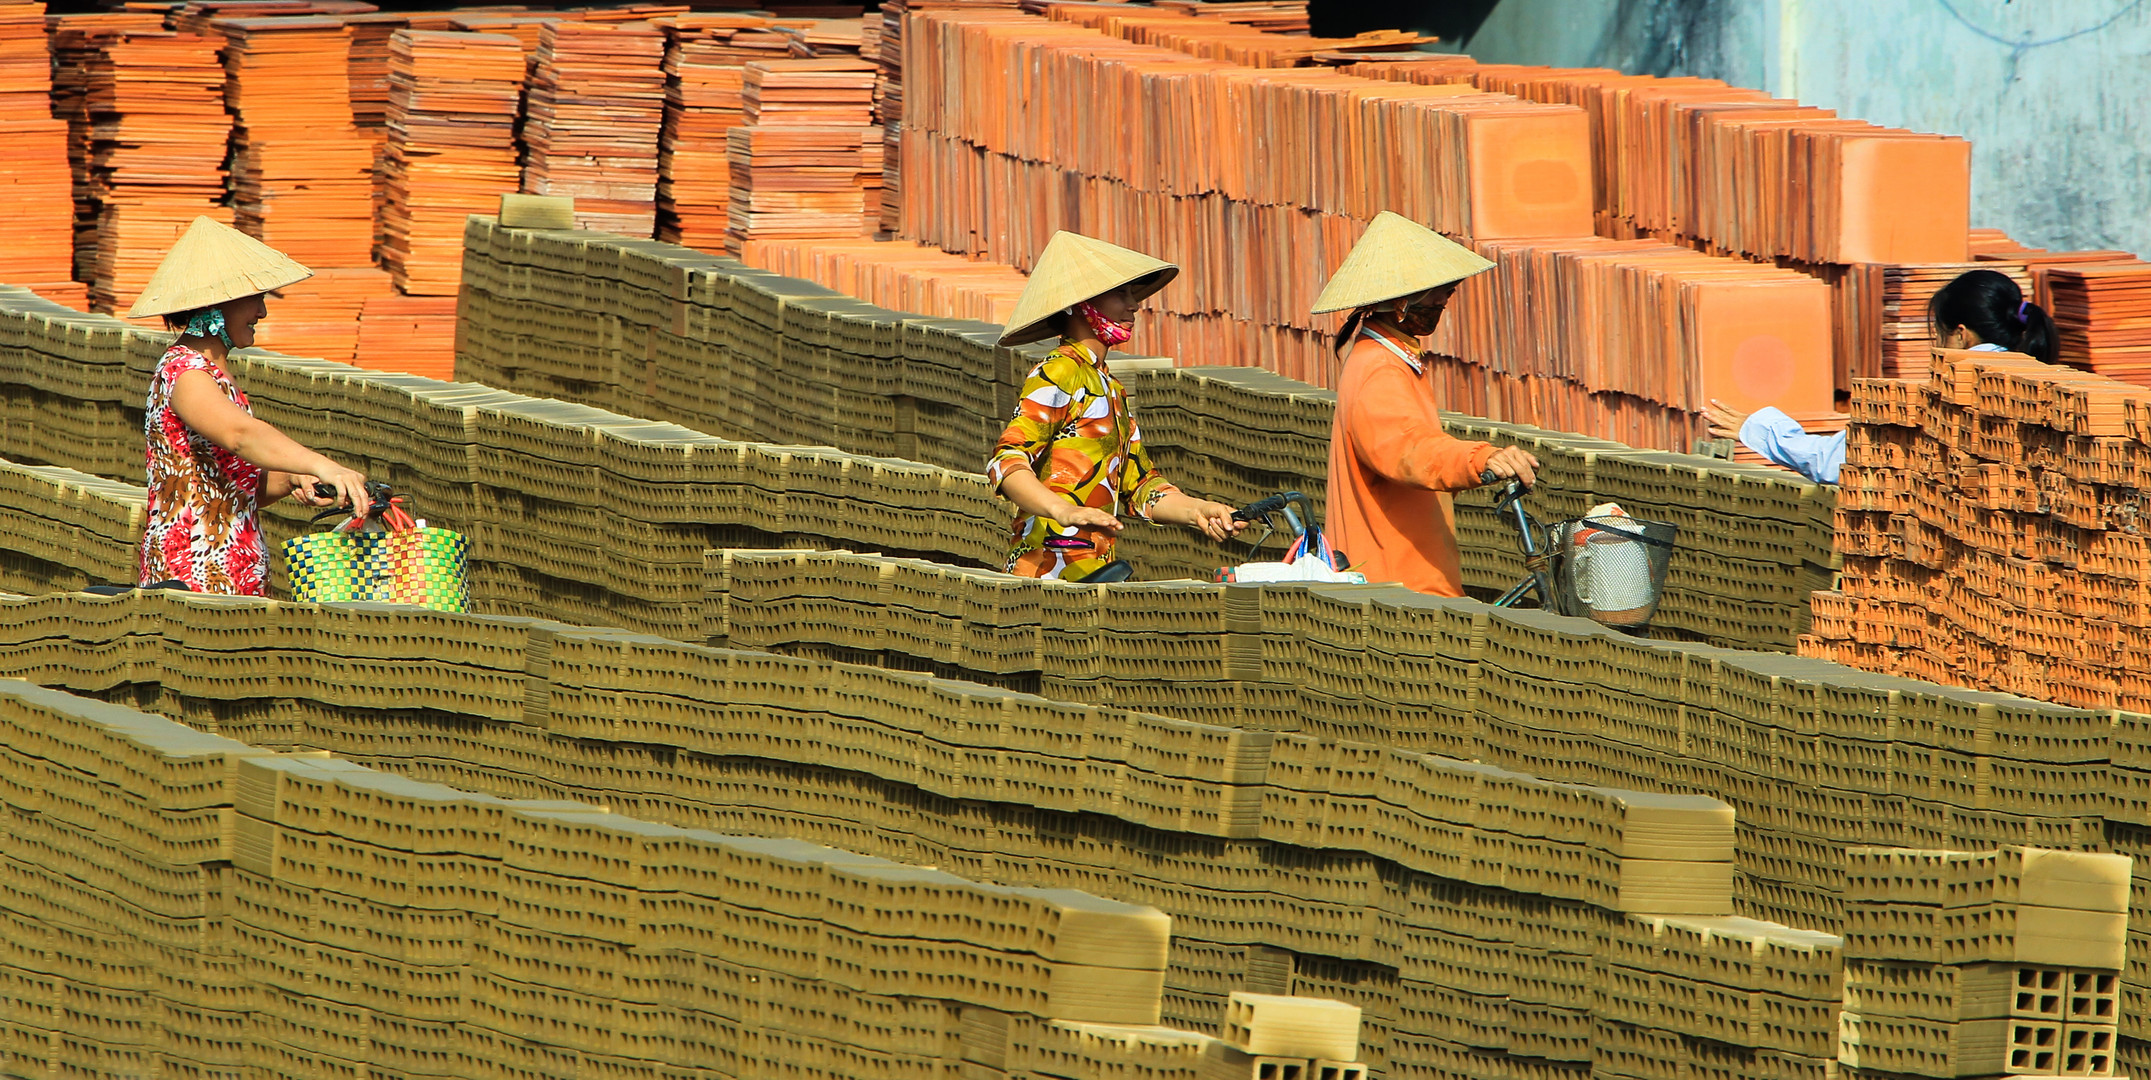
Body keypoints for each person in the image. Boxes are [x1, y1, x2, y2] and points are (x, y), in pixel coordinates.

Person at [128, 216, 370, 596]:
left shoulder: (214, 374)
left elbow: (230, 485)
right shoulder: (185, 372)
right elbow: (240, 435)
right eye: (255, 298)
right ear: (218, 304)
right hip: (194, 575)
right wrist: (321, 464)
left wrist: (292, 479)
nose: (262, 312)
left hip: (231, 573)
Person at [987, 231, 1244, 580]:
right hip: (1046, 575)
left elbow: (1141, 488)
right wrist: (1062, 511)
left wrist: (1199, 510)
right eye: (1120, 294)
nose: (1134, 304)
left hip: (1096, 572)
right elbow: (1006, 463)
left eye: (1132, 294)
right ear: (1082, 304)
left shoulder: (1109, 386)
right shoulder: (1059, 371)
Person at [1317, 211, 1539, 598]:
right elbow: (1407, 450)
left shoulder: (1393, 357)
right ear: (1402, 301)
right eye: (1437, 291)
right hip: (1395, 587)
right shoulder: (1380, 369)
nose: (1444, 299)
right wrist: (1479, 459)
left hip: (1407, 581)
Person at [1705, 268, 2057, 484]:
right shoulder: (2044, 389)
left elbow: (1834, 462)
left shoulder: (1946, 399)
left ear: (1961, 334)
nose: (1936, 351)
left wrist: (1757, 430)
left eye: (1939, 336)